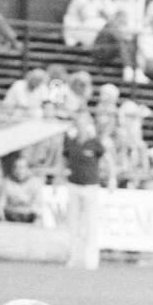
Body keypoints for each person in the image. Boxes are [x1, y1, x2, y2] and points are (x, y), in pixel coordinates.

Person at [64, 114, 106, 269]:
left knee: (90, 223)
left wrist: (112, 177)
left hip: (90, 186)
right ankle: (73, 258)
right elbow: (64, 160)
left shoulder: (95, 143)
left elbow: (106, 160)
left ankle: (91, 260)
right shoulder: (71, 142)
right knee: (73, 223)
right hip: (73, 185)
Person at [0, 153, 44, 223]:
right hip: (10, 218)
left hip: (29, 219)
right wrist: (3, 221)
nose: (19, 171)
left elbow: (38, 207)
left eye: (22, 167)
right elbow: (1, 205)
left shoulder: (36, 182)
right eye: (16, 167)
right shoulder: (7, 182)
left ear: (28, 169)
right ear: (13, 169)